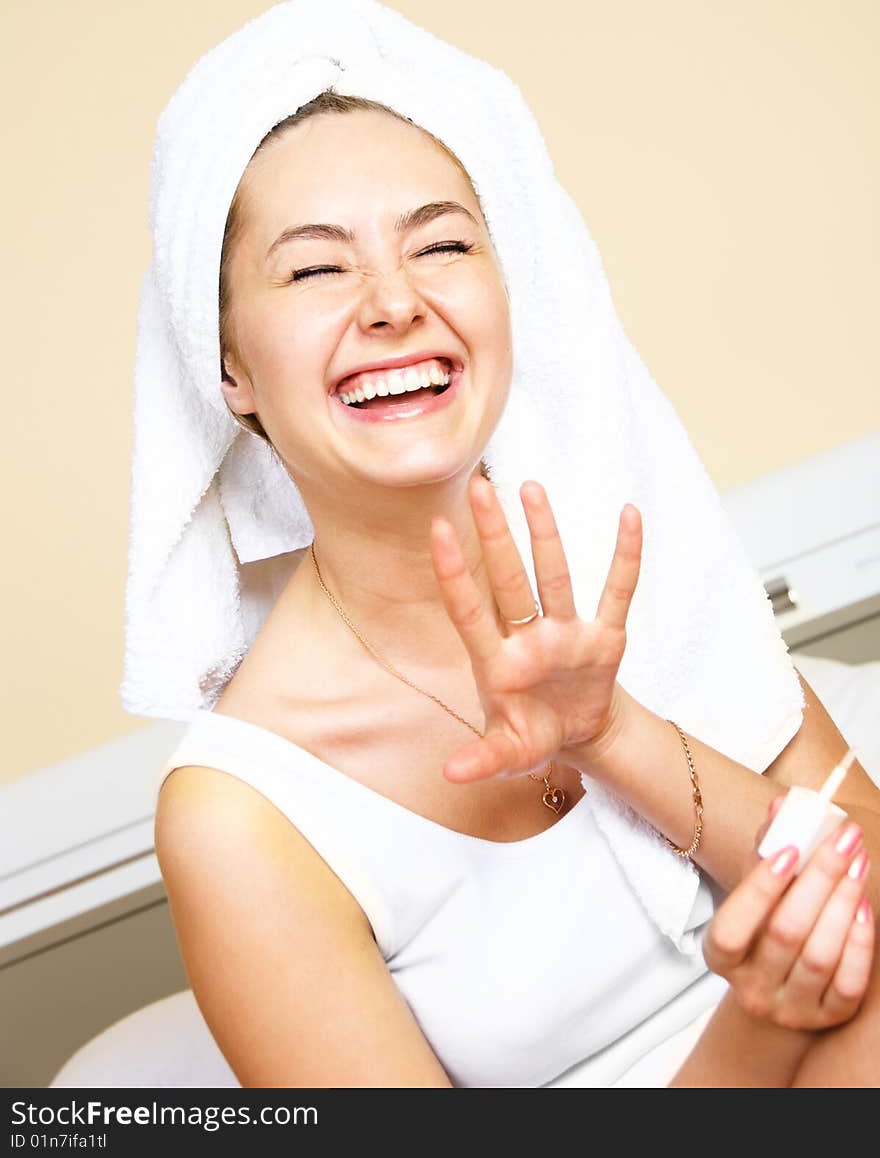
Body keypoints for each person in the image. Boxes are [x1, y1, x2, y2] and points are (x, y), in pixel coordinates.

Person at [152, 88, 879, 1088]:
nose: (394, 300)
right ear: (229, 363)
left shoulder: (629, 556)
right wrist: (757, 1022)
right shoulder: (241, 816)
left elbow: (867, 886)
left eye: (442, 246)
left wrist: (616, 734)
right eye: (316, 266)